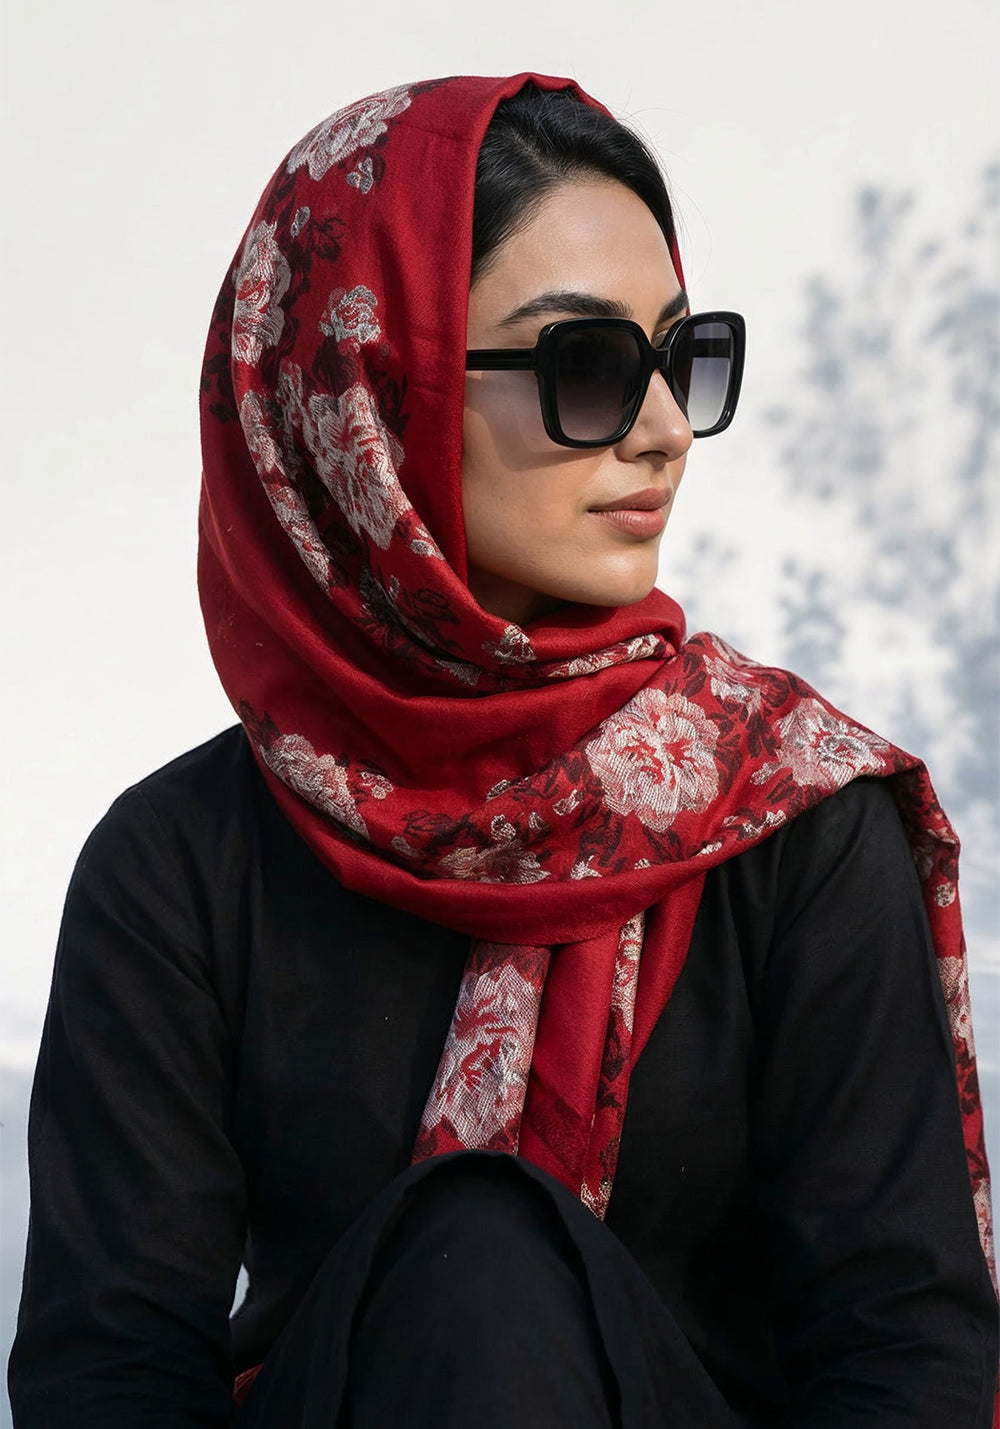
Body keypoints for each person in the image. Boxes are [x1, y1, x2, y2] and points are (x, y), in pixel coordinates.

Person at [8, 71, 999, 1429]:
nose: (665, 431)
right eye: (587, 364)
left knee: (492, 1262)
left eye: (683, 358)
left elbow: (906, 1352)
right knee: (474, 1266)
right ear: (372, 394)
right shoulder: (180, 869)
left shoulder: (791, 816)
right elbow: (107, 1372)